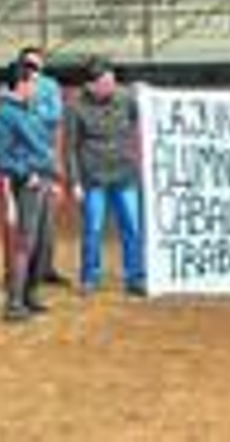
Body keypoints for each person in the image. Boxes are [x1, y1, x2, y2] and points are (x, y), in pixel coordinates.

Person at [65, 58, 145, 296]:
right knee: (93, 229)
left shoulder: (126, 97)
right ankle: (90, 277)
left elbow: (141, 116)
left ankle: (136, 277)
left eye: (113, 81)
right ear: (90, 85)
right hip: (93, 177)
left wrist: (146, 95)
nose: (111, 86)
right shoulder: (75, 106)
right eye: (105, 82)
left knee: (132, 227)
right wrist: (75, 181)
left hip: (125, 173)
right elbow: (69, 147)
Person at [0, 62, 59, 323]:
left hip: (40, 179)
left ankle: (29, 296)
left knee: (39, 242)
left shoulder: (27, 110)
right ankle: (15, 303)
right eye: (33, 82)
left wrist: (49, 176)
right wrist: (25, 173)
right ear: (20, 85)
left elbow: (42, 148)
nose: (37, 87)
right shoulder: (6, 115)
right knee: (26, 242)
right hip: (27, 183)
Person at [20, 46, 70, 288]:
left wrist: (33, 110)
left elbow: (56, 115)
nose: (34, 69)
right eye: (30, 64)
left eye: (37, 64)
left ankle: (45, 268)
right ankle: (27, 271)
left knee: (47, 220)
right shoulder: (13, 83)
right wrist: (40, 112)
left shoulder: (51, 85)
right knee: (29, 222)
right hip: (25, 159)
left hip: (46, 155)